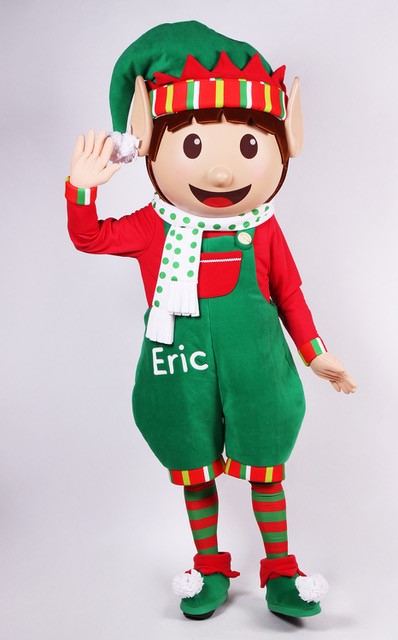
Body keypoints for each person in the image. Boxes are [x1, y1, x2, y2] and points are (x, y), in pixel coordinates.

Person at [65, 21, 356, 621]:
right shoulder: (153, 227)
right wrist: (81, 190)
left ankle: (281, 569)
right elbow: (90, 237)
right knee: (194, 465)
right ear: (151, 146)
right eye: (193, 146)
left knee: (265, 467)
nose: (222, 174)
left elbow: (290, 293)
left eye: (249, 147)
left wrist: (315, 352)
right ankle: (209, 565)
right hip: (181, 366)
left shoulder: (263, 230)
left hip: (259, 373)